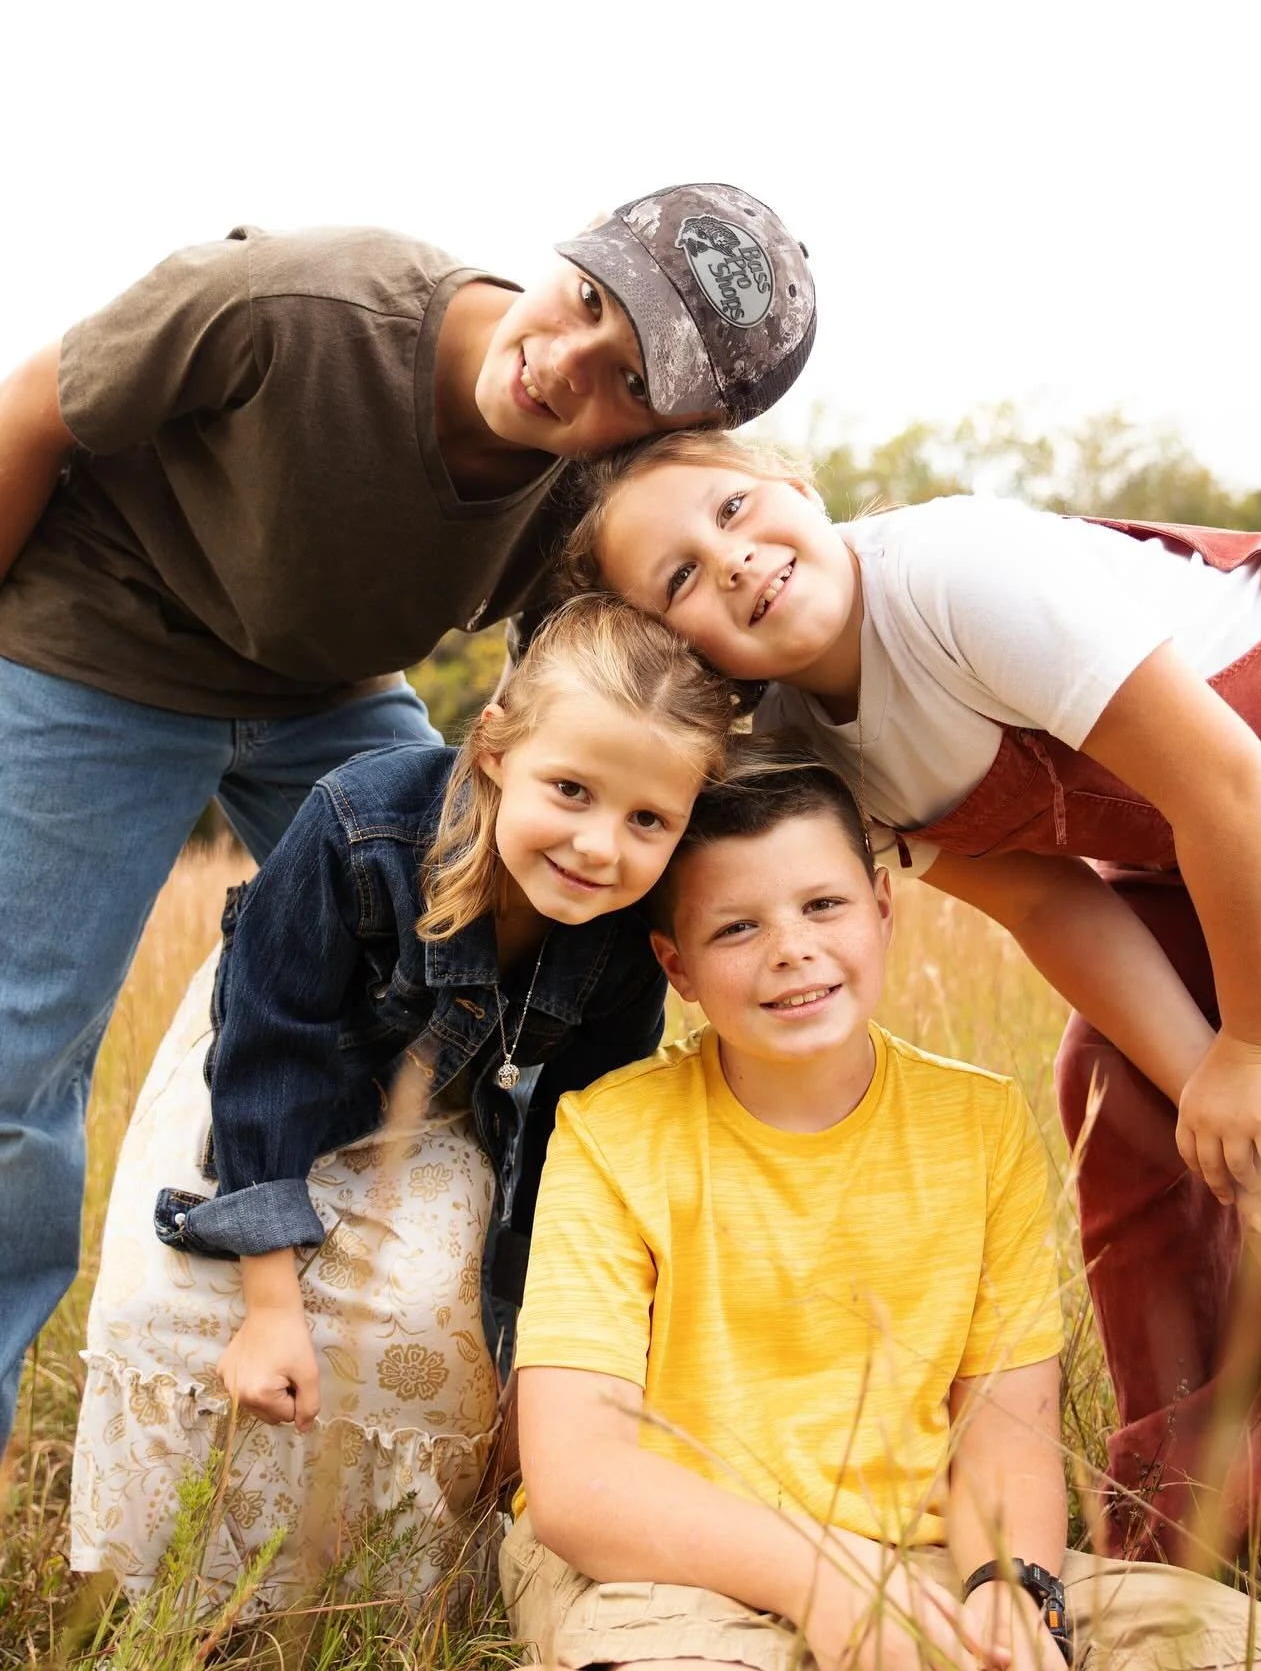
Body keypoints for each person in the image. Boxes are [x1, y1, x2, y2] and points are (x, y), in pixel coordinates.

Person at [0, 184, 815, 1451]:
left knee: (476, 942)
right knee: (16, 1053)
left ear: (673, 436)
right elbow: (33, 414)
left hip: (328, 688)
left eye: (629, 381)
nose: (565, 363)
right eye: (587, 300)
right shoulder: (295, 307)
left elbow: (611, 712)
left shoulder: (598, 501)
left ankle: (480, 1389)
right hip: (95, 640)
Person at [562, 429, 1261, 1562]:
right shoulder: (809, 756)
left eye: (732, 510)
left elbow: (1224, 780)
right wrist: (1200, 1085)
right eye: (678, 575)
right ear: (671, 645)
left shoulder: (956, 578)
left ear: (796, 485)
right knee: (1111, 1093)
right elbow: (1047, 904)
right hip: (1199, 836)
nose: (728, 560)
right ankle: (1203, 1517)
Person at [503, 747, 1261, 1671]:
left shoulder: (977, 1121)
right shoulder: (612, 1133)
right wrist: (827, 1583)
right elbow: (578, 1483)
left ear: (883, 912)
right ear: (676, 966)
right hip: (670, 1567)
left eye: (823, 906)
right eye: (736, 929)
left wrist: (1015, 1593)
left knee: (1248, 1649)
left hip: (926, 1557)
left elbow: (1004, 1437)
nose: (792, 949)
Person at [69, 594, 735, 1605]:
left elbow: (573, 1141)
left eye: (649, 819)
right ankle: (163, 1587)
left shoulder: (623, 932)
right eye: (571, 789)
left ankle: (374, 1586)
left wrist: (536, 1359)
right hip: (264, 1064)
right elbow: (269, 1055)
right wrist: (269, 1302)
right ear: (497, 748)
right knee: (169, 1300)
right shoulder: (359, 826)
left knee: (434, 1321)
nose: (601, 846)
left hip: (436, 1099)